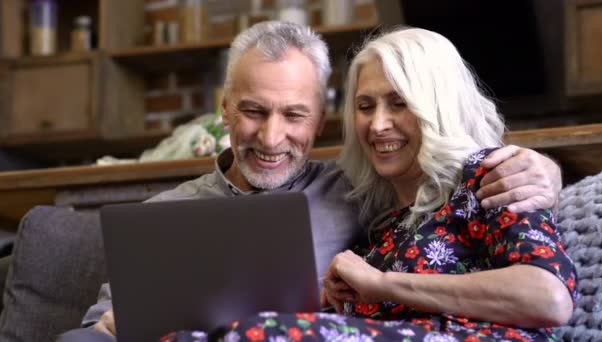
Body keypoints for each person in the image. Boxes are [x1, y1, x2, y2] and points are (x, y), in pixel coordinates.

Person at [57, 22, 564, 342]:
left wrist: (549, 169)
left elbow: (532, 272)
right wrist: (106, 332)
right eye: (254, 111)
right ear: (225, 109)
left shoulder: (359, 193)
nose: (272, 136)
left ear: (320, 119)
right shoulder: (160, 214)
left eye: (293, 115)